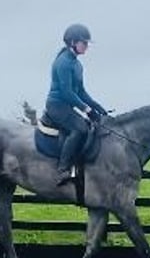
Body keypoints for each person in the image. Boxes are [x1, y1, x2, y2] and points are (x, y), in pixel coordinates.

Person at [44, 23, 107, 185]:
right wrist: (86, 109)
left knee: (92, 126)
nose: (86, 46)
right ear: (73, 42)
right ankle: (63, 169)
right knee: (79, 129)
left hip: (67, 105)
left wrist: (96, 106)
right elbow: (67, 93)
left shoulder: (77, 64)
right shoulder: (63, 62)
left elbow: (80, 92)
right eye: (84, 43)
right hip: (57, 106)